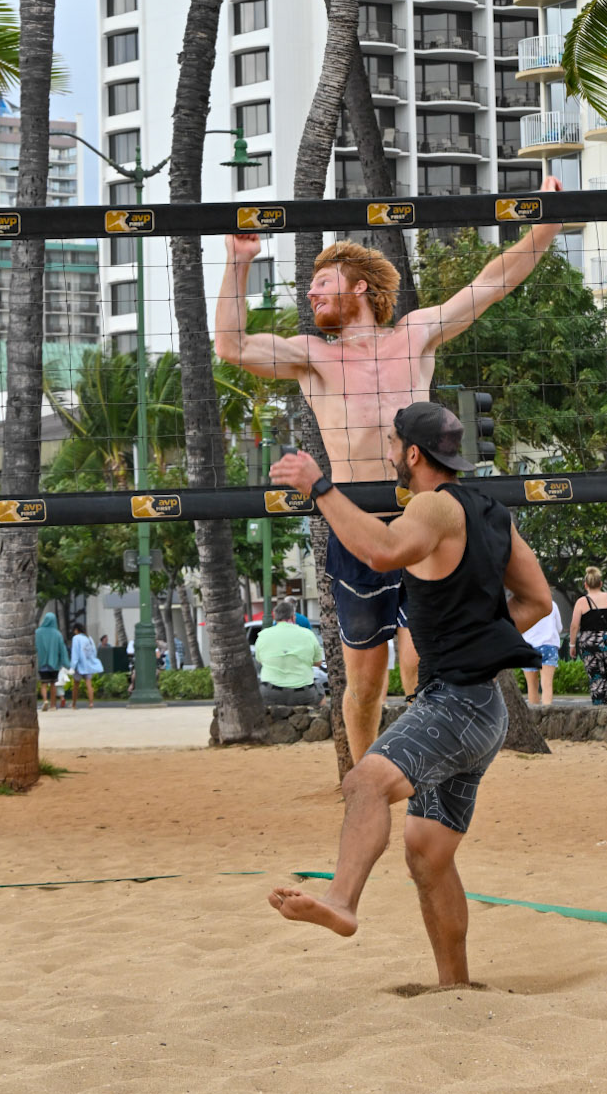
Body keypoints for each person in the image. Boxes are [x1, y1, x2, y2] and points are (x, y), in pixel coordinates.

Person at [217, 180, 565, 763]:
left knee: (417, 661)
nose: (311, 294)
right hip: (357, 527)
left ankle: (426, 770)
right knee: (364, 685)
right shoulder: (312, 356)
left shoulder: (416, 333)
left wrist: (546, 226)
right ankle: (363, 784)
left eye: (321, 283)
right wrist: (238, 260)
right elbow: (230, 345)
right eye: (309, 287)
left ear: (358, 286)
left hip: (419, 522)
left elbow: (493, 283)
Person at [266, 401, 551, 985]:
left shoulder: (430, 505)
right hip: (484, 708)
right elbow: (539, 601)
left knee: (365, 781)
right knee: (427, 854)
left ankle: (343, 901)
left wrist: (319, 486)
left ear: (415, 454)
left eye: (394, 445)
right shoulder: (494, 512)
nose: (389, 454)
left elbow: (382, 551)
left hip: (455, 705)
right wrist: (477, 642)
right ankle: (456, 985)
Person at [568, 569, 607, 705]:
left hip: (589, 643)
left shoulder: (582, 602)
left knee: (595, 675)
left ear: (585, 585)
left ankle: (598, 704)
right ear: (601, 583)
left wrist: (572, 644)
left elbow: (574, 626)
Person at [253, 598, 324, 707]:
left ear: (275, 618)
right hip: (303, 693)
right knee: (321, 693)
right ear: (293, 617)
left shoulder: (263, 635)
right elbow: (318, 662)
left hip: (270, 692)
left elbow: (260, 660)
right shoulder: (308, 634)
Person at [522, 595, 563, 708]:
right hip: (548, 645)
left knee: (532, 686)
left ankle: (533, 718)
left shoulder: (523, 606)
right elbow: (559, 627)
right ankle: (547, 714)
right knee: (547, 684)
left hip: (528, 647)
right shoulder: (552, 605)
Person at [35, 611, 70, 713]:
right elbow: (62, 650)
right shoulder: (57, 634)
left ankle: (45, 700)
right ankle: (53, 705)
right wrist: (66, 663)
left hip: (42, 663)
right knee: (53, 684)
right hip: (54, 664)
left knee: (44, 684)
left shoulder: (37, 632)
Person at [68, 625, 101, 708]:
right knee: (89, 684)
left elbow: (75, 652)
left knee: (76, 685)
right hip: (88, 664)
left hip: (79, 665)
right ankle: (91, 703)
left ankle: (74, 704)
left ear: (76, 630)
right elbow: (93, 651)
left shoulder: (76, 638)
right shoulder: (88, 638)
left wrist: (73, 665)